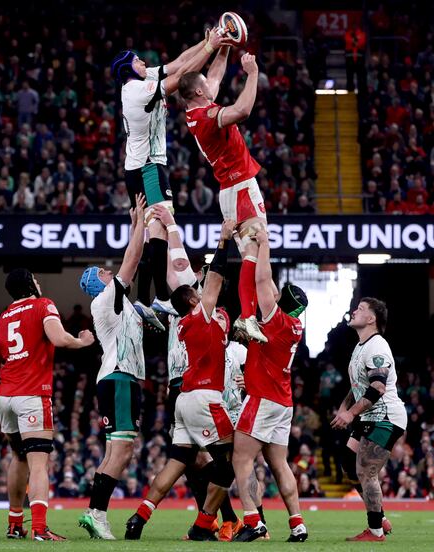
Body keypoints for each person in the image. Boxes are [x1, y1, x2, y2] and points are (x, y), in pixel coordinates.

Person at [124, 218, 237, 541]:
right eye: (197, 295)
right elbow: (215, 280)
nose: (203, 296)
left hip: (184, 399)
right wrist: (223, 240)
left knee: (177, 463)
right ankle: (205, 524)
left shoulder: (183, 325)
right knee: (230, 463)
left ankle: (138, 518)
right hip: (205, 397)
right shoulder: (200, 315)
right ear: (191, 301)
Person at [111, 29, 224, 327]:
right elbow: (183, 77)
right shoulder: (137, 90)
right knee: (159, 226)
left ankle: (147, 298)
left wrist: (206, 42)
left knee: (153, 233)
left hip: (139, 167)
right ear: (128, 69)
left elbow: (179, 62)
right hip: (148, 167)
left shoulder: (140, 79)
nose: (142, 61)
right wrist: (211, 48)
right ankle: (160, 295)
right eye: (137, 60)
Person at [0, 268, 95, 541]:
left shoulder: (1, 320)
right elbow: (59, 339)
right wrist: (82, 342)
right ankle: (39, 528)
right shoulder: (43, 305)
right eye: (35, 279)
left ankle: (14, 524)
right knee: (38, 464)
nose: (38, 282)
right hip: (32, 394)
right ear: (29, 284)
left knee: (18, 457)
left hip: (5, 396)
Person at [179, 51, 268, 344]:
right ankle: (248, 315)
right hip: (241, 186)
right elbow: (242, 110)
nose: (211, 83)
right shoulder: (206, 117)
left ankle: (249, 316)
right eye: (205, 84)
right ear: (199, 92)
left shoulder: (195, 112)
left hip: (229, 190)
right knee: (255, 250)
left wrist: (224, 47)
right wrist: (252, 73)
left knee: (251, 254)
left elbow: (214, 77)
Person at [77, 194, 148, 540]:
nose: (111, 272)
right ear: (99, 283)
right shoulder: (106, 299)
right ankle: (98, 514)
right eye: (105, 272)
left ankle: (94, 513)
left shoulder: (115, 303)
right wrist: (142, 222)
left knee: (114, 450)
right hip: (119, 376)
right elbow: (132, 259)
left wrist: (135, 225)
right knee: (122, 450)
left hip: (116, 376)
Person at [231, 229, 310, 542]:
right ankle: (297, 523)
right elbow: (269, 286)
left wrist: (264, 243)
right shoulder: (295, 325)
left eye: (278, 295)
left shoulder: (275, 320)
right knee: (279, 464)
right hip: (282, 401)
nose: (273, 295)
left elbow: (263, 280)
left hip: (263, 398)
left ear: (282, 302)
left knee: (241, 458)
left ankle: (254, 521)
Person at [331, 298, 407, 542]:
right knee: (348, 462)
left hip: (385, 416)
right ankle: (379, 516)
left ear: (372, 319)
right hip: (370, 415)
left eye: (361, 309)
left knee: (366, 470)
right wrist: (344, 406)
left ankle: (375, 531)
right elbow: (359, 385)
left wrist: (350, 413)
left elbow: (377, 387)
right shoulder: (360, 346)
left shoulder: (377, 346)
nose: (354, 311)